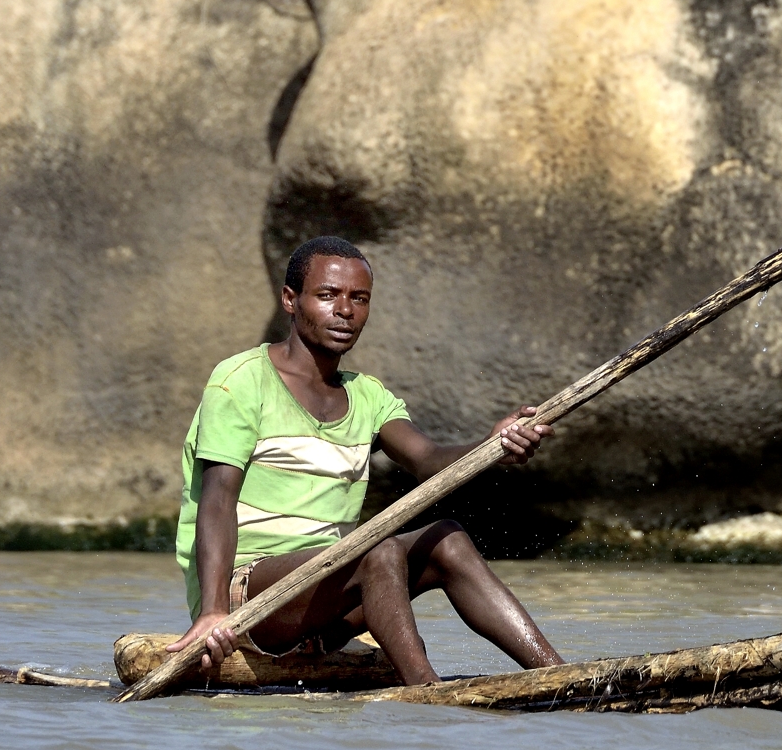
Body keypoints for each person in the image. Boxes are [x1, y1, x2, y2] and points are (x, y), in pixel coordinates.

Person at [163, 236, 565, 685]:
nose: (345, 311)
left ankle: (562, 678)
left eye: (359, 299)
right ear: (291, 300)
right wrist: (215, 611)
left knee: (447, 539)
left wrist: (494, 445)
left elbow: (429, 459)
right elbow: (217, 501)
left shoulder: (368, 395)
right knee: (378, 550)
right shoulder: (239, 382)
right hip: (248, 602)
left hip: (326, 608)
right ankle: (426, 691)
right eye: (328, 295)